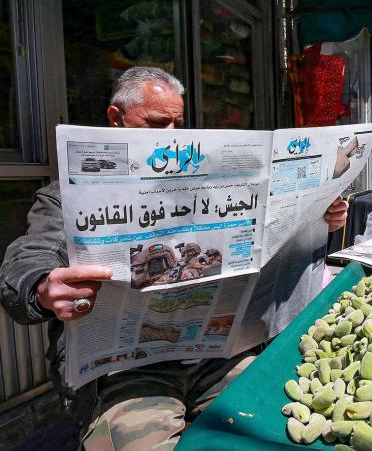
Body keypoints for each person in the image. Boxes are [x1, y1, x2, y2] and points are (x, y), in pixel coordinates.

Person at [0, 66, 349, 450]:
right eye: (155, 123)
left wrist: (320, 218)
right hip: (127, 371)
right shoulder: (66, 197)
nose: (169, 136)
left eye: (177, 124)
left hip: (221, 354)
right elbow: (27, 257)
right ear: (116, 119)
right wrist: (40, 287)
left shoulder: (212, 184)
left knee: (272, 426)